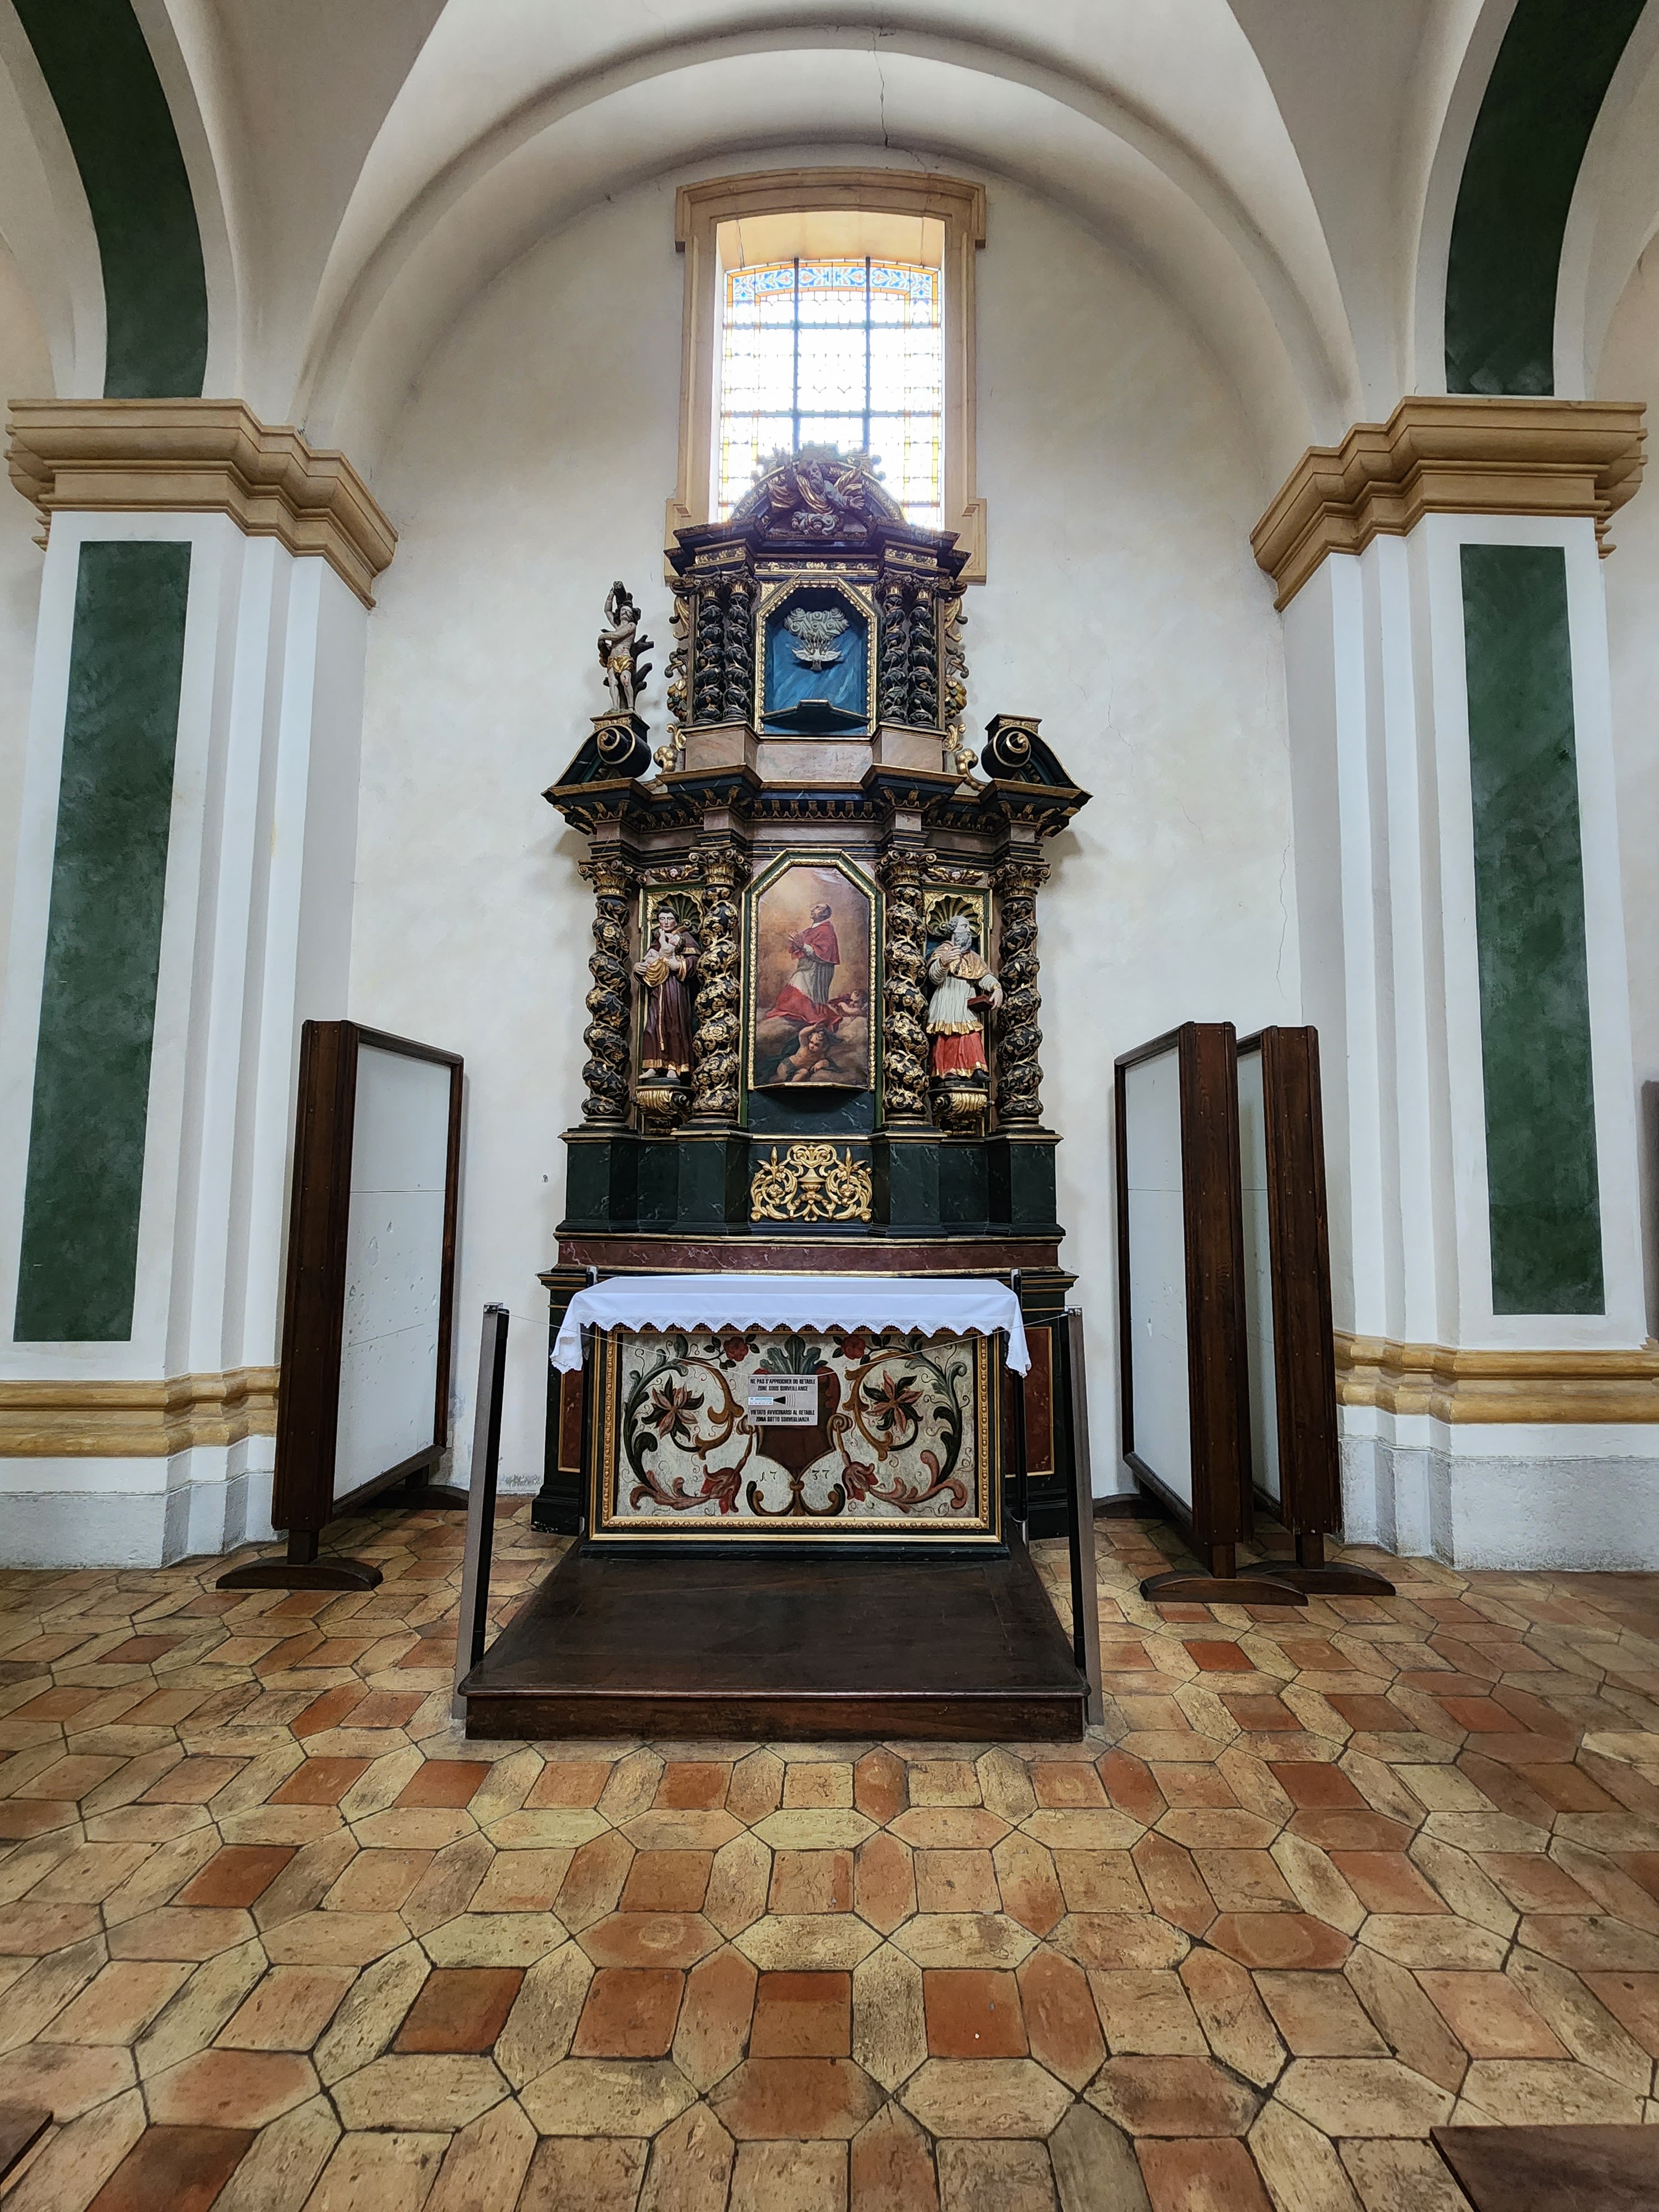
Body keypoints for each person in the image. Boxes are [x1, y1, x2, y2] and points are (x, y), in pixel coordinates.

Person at [926, 913, 1002, 1077]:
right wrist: (943, 962)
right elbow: (934, 977)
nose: (968, 931)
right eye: (964, 926)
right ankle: (947, 1071)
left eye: (969, 927)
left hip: (965, 999)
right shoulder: (943, 951)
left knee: (971, 1033)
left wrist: (996, 987)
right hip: (947, 997)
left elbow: (983, 977)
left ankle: (976, 1069)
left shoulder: (973, 957)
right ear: (954, 930)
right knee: (948, 1033)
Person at [633, 905, 697, 1074]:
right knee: (652, 1026)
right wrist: (638, 968)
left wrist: (680, 965)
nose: (666, 922)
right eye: (662, 919)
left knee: (674, 1026)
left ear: (676, 921)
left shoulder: (684, 937)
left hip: (675, 988)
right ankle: (653, 1066)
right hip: (658, 990)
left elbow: (696, 962)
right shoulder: (657, 941)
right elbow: (648, 962)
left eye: (669, 919)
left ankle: (674, 1066)